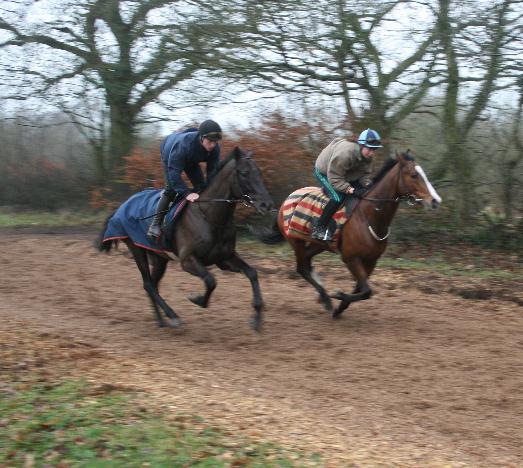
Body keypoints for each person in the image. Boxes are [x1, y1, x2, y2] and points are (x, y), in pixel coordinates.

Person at [147, 119, 222, 240]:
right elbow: (174, 174)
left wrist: (210, 187)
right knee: (171, 189)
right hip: (170, 152)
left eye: (216, 142)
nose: (213, 145)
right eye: (210, 141)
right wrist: (186, 193)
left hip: (191, 159)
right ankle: (155, 224)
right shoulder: (183, 146)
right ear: (202, 137)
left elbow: (212, 172)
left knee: (202, 187)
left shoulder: (215, 149)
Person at [311, 128, 383, 241]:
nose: (372, 153)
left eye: (374, 149)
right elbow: (335, 178)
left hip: (345, 174)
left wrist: (368, 185)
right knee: (338, 197)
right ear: (361, 145)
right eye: (370, 148)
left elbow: (364, 175)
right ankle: (319, 228)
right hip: (325, 173)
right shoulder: (345, 154)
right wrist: (351, 190)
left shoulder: (368, 157)